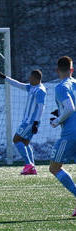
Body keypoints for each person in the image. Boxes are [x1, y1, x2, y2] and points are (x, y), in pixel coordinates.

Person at [0, 69, 46, 175]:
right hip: (29, 121)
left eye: (31, 77)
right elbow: (18, 84)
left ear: (36, 78)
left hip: (30, 122)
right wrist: (5, 77)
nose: (29, 79)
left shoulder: (40, 90)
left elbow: (41, 107)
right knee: (25, 143)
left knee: (16, 139)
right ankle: (32, 168)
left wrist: (35, 123)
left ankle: (29, 165)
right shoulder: (31, 87)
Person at [49, 56, 76, 217]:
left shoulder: (61, 87)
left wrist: (57, 121)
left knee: (54, 167)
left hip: (70, 134)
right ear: (72, 70)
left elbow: (70, 108)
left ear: (57, 70)